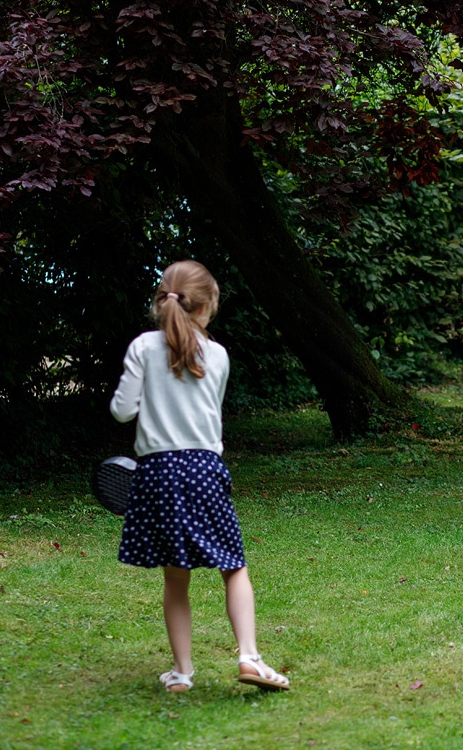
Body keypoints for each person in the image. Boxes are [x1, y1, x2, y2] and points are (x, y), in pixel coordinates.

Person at [110, 260, 290, 693]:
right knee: (234, 566)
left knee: (176, 576)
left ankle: (182, 674)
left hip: (156, 472)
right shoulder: (219, 355)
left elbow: (121, 411)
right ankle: (249, 657)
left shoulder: (142, 347)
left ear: (161, 302)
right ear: (207, 307)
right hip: (204, 469)